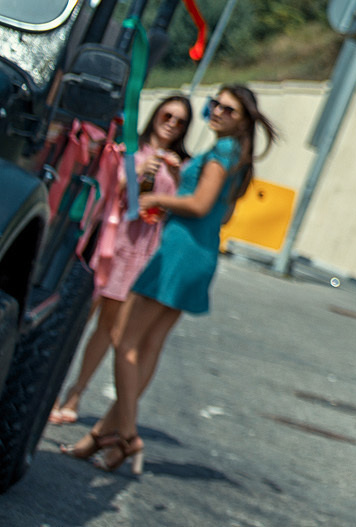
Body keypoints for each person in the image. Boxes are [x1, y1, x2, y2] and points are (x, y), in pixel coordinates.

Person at [64, 83, 275, 474]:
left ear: (242, 119)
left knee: (125, 341)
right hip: (200, 252)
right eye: (215, 104)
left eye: (228, 110)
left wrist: (158, 198)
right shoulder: (236, 156)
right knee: (148, 346)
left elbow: (199, 205)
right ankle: (100, 436)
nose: (216, 112)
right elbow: (221, 214)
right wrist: (182, 179)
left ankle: (126, 436)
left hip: (180, 251)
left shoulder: (223, 152)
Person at [48, 94, 192, 426]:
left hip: (141, 247)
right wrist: (140, 169)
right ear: (156, 115)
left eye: (180, 121)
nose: (171, 124)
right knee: (76, 315)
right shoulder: (130, 148)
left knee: (109, 326)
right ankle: (50, 385)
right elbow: (111, 187)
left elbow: (182, 206)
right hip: (111, 238)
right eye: (167, 115)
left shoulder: (181, 163)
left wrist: (174, 177)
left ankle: (75, 393)